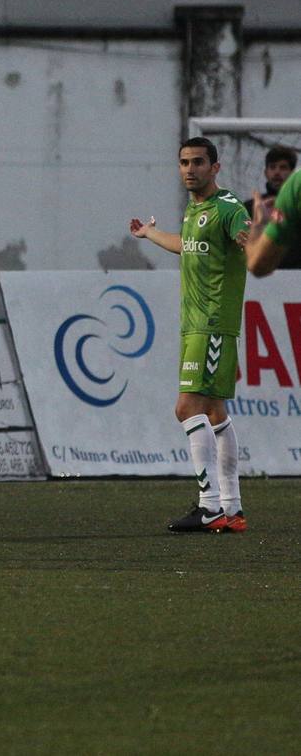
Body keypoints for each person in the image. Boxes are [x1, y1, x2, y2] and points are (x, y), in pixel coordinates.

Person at [130, 137, 250, 533]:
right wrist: (150, 234)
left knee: (185, 408)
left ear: (215, 167)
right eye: (184, 162)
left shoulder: (227, 208)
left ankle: (209, 506)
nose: (189, 169)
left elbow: (245, 234)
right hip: (196, 325)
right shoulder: (195, 210)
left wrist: (257, 239)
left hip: (211, 323)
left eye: (198, 162)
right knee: (215, 413)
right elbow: (186, 246)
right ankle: (231, 508)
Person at [249, 146, 301, 270]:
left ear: (292, 173)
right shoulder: (249, 207)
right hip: (259, 281)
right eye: (272, 167)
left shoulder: (297, 207)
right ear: (266, 173)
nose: (277, 172)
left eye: (283, 167)